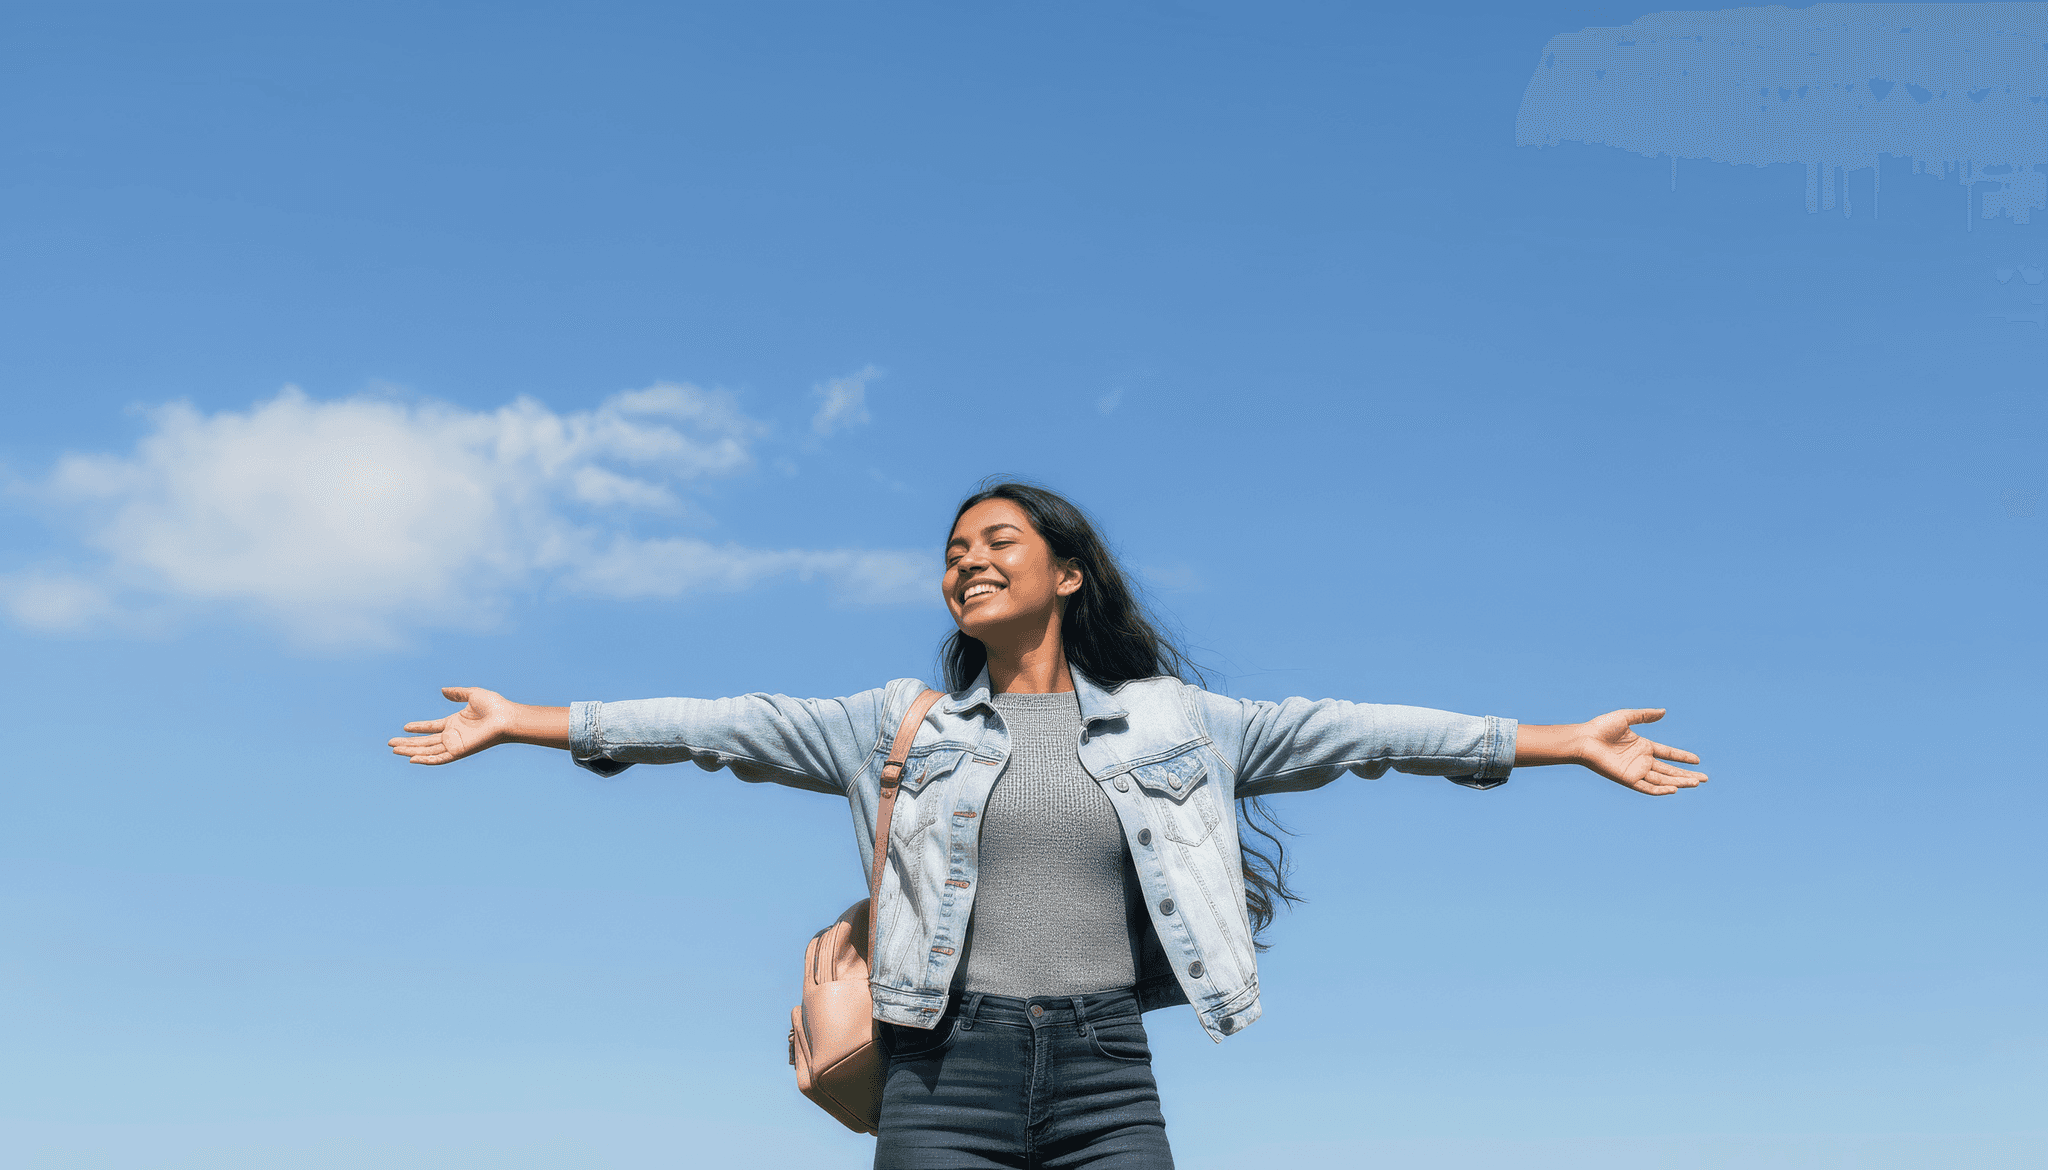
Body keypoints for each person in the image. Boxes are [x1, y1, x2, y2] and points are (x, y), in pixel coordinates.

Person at [389, 480, 1706, 1169]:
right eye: (954, 544)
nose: (966, 555)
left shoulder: (1181, 724)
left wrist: (1560, 743)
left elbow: (1365, 734)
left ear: (1066, 573)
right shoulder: (893, 724)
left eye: (997, 537)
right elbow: (720, 721)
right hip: (939, 1074)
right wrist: (529, 717)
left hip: (1103, 1071)